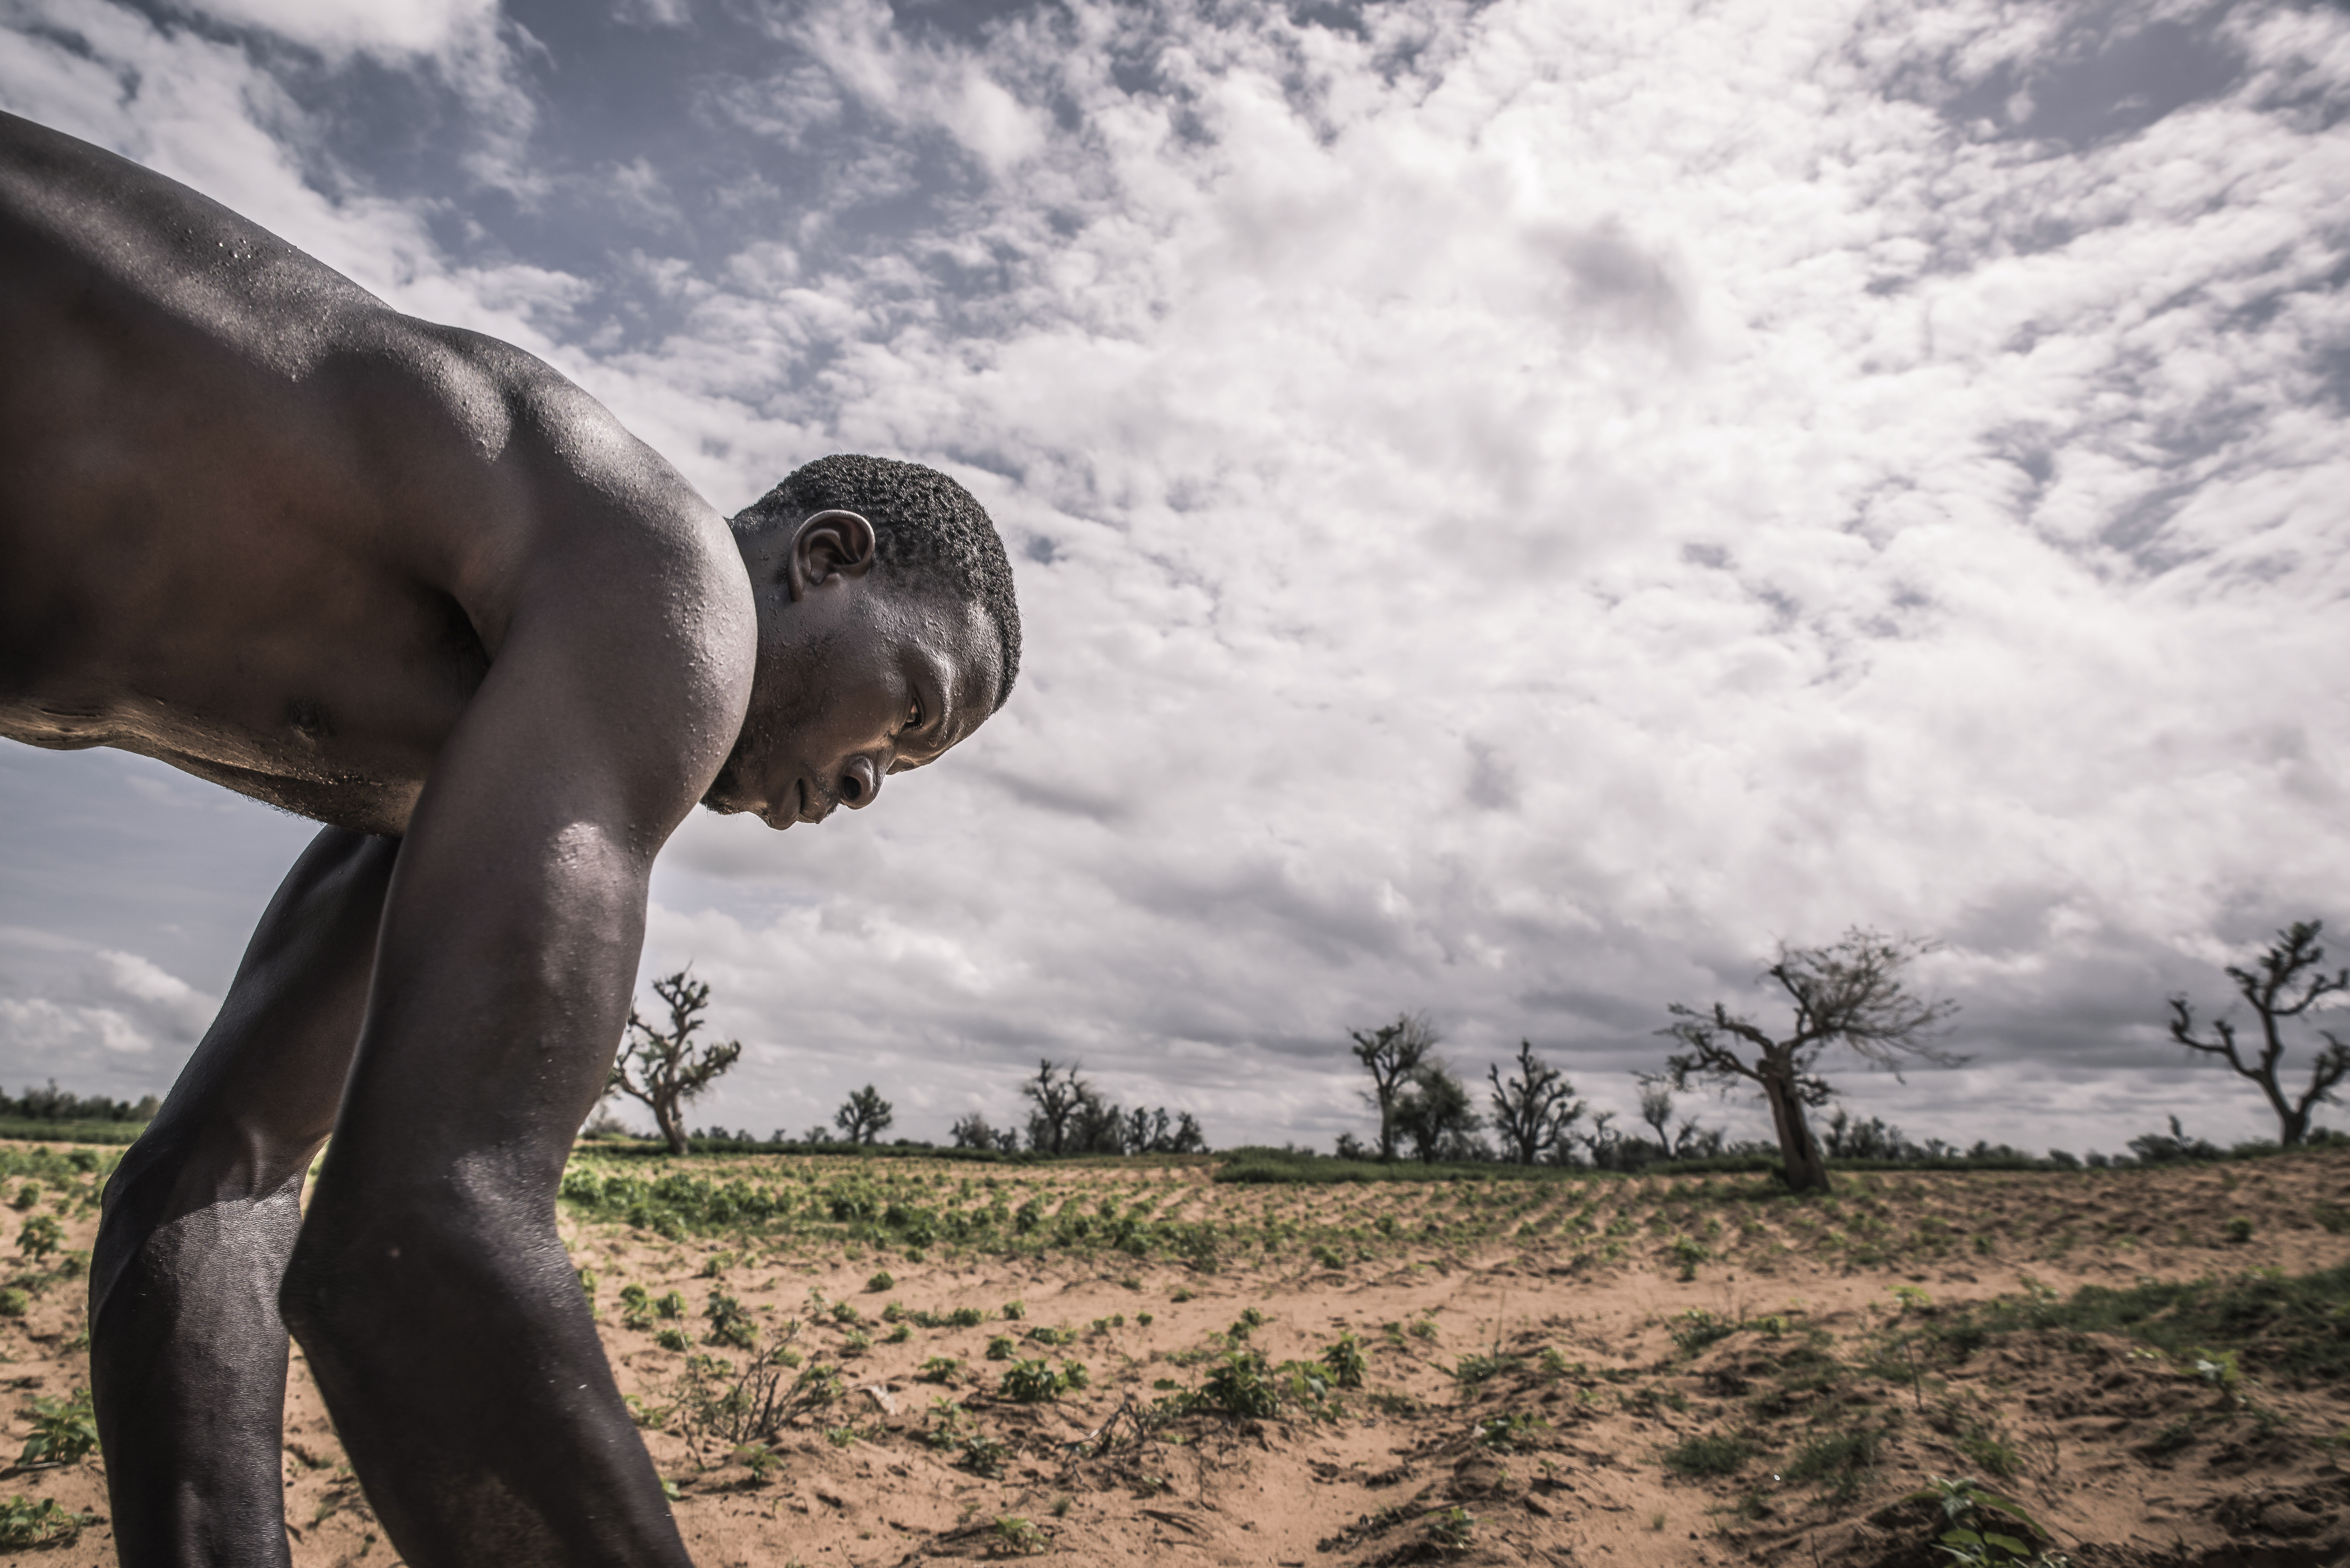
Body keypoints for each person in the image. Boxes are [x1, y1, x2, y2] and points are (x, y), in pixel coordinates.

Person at [0, 109, 1020, 1568]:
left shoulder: (470, 748)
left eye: (903, 778)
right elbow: (429, 1249)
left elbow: (217, 1174)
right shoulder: (668, 584)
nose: (864, 787)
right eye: (902, 715)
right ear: (825, 561)